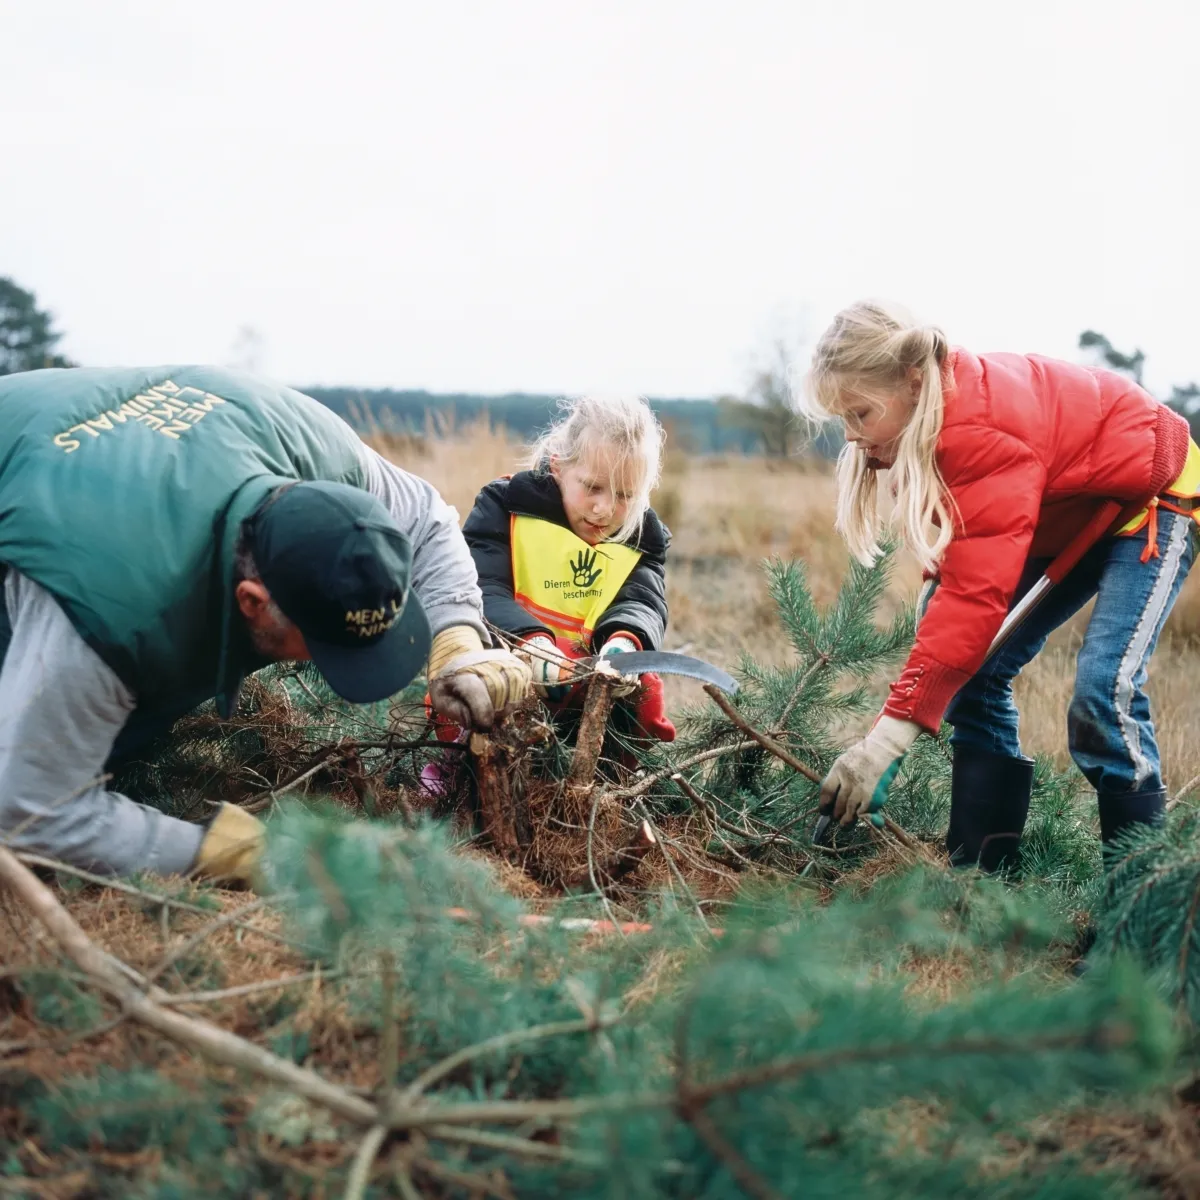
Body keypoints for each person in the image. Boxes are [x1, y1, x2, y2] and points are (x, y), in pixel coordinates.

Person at [0, 366, 531, 885]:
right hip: (43, 512)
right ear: (252, 602)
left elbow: (427, 519)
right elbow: (29, 810)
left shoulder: (314, 446)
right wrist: (234, 853)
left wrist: (457, 637)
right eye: (324, 644)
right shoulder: (107, 605)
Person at [798, 301, 1199, 870]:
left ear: (912, 383)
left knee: (1102, 693)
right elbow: (962, 567)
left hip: (1152, 505)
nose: (851, 436)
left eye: (860, 414)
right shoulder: (930, 419)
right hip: (1071, 511)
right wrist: (909, 706)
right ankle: (982, 882)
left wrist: (884, 744)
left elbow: (973, 598)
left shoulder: (983, 430)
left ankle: (1143, 913)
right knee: (977, 677)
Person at [456, 393, 675, 764]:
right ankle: (452, 768)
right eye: (592, 487)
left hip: (587, 680)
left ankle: (615, 780)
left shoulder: (643, 540)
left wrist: (624, 645)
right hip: (509, 658)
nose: (604, 508)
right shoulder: (505, 506)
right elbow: (482, 588)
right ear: (558, 467)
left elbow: (643, 603)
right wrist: (531, 643)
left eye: (625, 495)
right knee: (468, 673)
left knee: (647, 686)